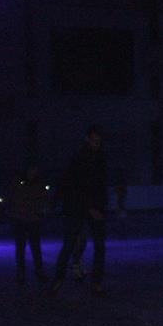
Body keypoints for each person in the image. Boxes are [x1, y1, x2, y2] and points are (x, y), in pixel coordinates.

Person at [51, 125, 108, 294]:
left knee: (99, 246)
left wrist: (101, 207)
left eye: (99, 141)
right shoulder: (80, 158)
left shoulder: (101, 158)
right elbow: (74, 185)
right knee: (70, 244)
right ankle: (58, 279)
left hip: (94, 208)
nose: (97, 143)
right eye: (94, 140)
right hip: (77, 207)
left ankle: (96, 282)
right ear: (87, 139)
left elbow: (101, 186)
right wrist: (90, 207)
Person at [7, 162, 49, 285]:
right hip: (20, 219)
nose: (33, 172)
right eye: (31, 170)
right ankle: (22, 273)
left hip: (32, 219)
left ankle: (38, 271)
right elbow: (12, 198)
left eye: (35, 170)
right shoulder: (18, 183)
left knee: (35, 247)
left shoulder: (38, 184)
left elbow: (44, 199)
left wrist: (40, 211)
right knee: (21, 247)